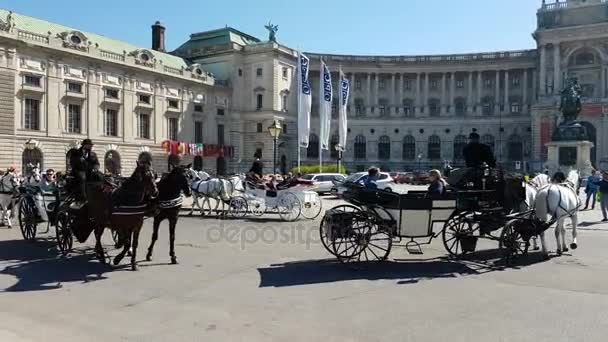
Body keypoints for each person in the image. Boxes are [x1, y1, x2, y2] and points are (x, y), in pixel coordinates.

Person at [69, 139, 100, 208]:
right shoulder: (76, 153)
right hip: (78, 170)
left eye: (91, 146)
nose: (90, 147)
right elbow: (72, 163)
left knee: (99, 176)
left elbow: (97, 163)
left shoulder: (93, 154)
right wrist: (79, 160)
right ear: (84, 145)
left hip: (90, 171)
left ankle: (97, 195)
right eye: (89, 145)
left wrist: (95, 168)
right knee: (82, 177)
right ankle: (83, 198)